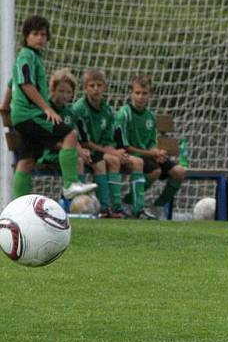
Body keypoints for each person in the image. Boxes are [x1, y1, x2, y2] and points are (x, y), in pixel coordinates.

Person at [6, 15, 96, 200]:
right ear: (26, 36)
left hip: (21, 117)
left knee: (26, 161)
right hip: (31, 114)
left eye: (44, 35)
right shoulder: (27, 55)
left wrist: (4, 106)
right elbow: (26, 84)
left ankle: (16, 205)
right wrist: (46, 108)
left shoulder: (30, 58)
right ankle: (70, 184)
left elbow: (11, 83)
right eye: (35, 34)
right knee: (70, 134)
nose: (40, 38)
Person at [73, 68, 144, 218]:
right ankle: (105, 208)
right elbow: (85, 142)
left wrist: (118, 153)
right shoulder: (80, 109)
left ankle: (121, 208)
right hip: (82, 150)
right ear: (85, 88)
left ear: (105, 87)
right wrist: (113, 153)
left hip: (101, 150)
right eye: (92, 86)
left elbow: (108, 140)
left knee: (128, 160)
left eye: (99, 85)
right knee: (111, 160)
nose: (96, 89)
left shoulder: (106, 109)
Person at [116, 74, 186, 218]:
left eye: (144, 93)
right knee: (155, 171)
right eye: (137, 93)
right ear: (131, 93)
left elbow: (151, 144)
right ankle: (129, 202)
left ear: (150, 95)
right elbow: (125, 147)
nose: (140, 97)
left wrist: (159, 153)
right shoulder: (124, 114)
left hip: (147, 155)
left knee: (179, 172)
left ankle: (158, 207)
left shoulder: (150, 117)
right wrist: (152, 154)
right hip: (130, 156)